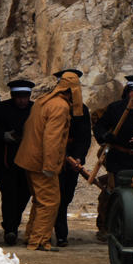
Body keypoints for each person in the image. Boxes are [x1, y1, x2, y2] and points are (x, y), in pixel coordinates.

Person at [14, 71, 82, 251]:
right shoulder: (60, 106)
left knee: (39, 200)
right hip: (41, 161)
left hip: (29, 158)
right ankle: (38, 241)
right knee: (50, 201)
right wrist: (50, 167)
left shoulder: (43, 100)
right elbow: (52, 139)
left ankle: (31, 235)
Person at [92, 74, 133, 241]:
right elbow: (99, 127)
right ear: (129, 92)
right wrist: (106, 136)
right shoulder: (116, 108)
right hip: (119, 157)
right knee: (115, 193)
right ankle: (111, 227)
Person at [0, 78, 34, 244]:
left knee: (24, 195)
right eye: (19, 97)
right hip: (6, 161)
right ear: (12, 95)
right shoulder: (1, 109)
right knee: (9, 195)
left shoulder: (35, 109)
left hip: (28, 161)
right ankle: (10, 229)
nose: (22, 100)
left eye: (25, 97)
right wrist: (2, 135)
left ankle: (13, 222)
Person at [52, 69, 92, 247]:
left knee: (66, 196)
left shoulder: (82, 110)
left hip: (72, 160)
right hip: (54, 157)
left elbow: (84, 137)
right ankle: (60, 234)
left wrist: (78, 158)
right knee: (54, 196)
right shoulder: (52, 105)